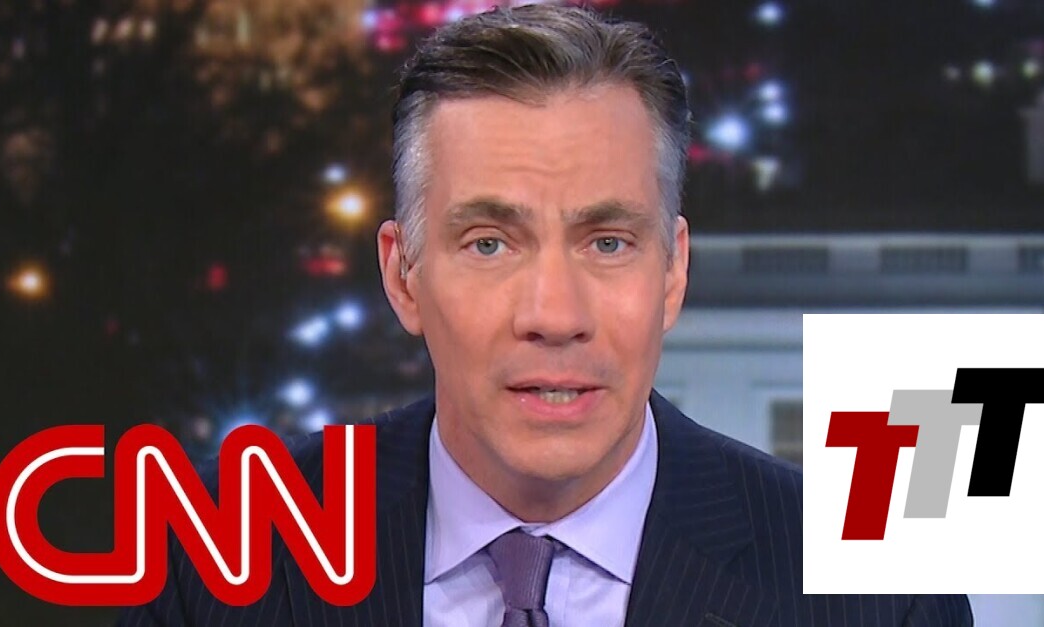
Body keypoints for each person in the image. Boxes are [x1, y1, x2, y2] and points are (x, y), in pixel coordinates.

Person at [119, 4, 973, 626]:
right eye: (490, 243)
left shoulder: (872, 594)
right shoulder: (218, 552)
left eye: (607, 242)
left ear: (672, 271)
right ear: (403, 275)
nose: (554, 314)